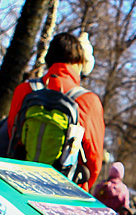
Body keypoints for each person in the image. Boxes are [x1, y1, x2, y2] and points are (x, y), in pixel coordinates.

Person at [7, 32, 104, 192]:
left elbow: (14, 134)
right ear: (79, 62)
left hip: (21, 182)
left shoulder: (25, 90)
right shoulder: (88, 101)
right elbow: (93, 159)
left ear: (48, 59)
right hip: (64, 190)